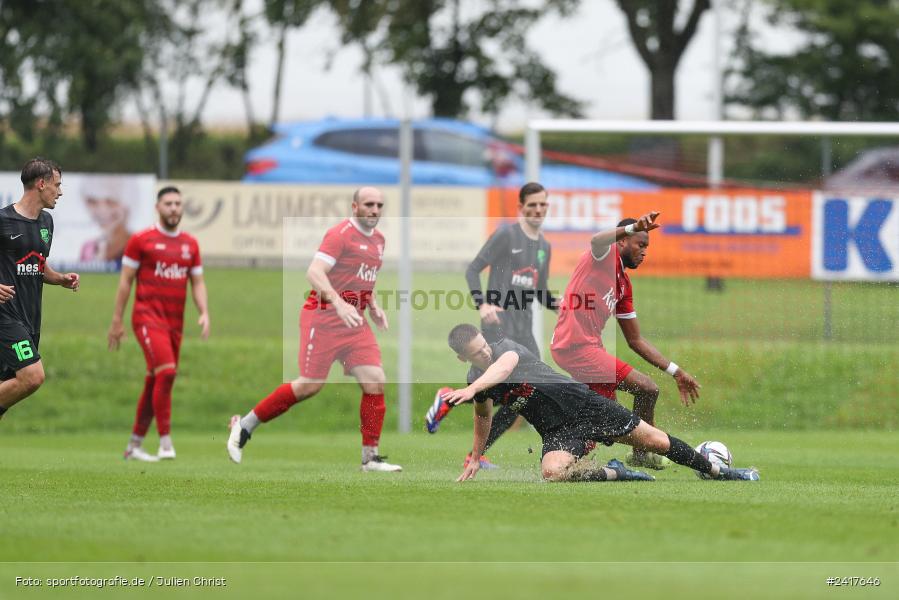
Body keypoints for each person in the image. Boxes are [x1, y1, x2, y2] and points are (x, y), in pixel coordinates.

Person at [445, 323, 759, 483]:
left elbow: (503, 368)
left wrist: (475, 388)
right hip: (557, 431)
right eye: (476, 353)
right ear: (462, 358)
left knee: (656, 441)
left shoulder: (505, 348)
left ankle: (719, 472)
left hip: (586, 406)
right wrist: (476, 457)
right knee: (552, 473)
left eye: (483, 345)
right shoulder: (475, 380)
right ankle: (616, 473)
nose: (485, 352)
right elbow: (483, 417)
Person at [227, 187, 401, 472]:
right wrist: (339, 304)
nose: (375, 210)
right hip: (323, 319)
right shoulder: (340, 234)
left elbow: (360, 278)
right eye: (369, 204)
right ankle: (244, 425)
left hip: (354, 322)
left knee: (375, 381)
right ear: (355, 207)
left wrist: (373, 306)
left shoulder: (379, 240)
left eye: (379, 205)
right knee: (309, 385)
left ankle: (370, 458)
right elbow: (314, 272)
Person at [550, 214, 702, 470]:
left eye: (647, 247)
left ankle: (562, 455)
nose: (644, 252)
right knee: (647, 388)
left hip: (589, 349)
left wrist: (676, 372)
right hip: (574, 346)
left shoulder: (624, 285)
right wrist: (632, 227)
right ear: (622, 241)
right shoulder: (603, 257)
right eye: (640, 244)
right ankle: (644, 453)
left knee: (604, 419)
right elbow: (596, 240)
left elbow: (635, 340)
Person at [425, 182, 557, 467]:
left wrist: (560, 305)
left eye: (542, 204)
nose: (538, 209)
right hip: (499, 325)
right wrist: (482, 304)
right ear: (521, 207)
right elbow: (473, 269)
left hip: (524, 328)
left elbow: (540, 290)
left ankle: (455, 411)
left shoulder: (544, 246)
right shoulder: (506, 235)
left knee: (524, 393)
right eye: (532, 204)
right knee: (506, 391)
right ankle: (475, 451)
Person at [108, 186, 209, 462]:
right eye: (168, 203)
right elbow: (125, 281)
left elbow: (197, 282)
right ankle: (165, 442)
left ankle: (134, 445)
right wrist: (117, 320)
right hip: (146, 318)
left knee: (156, 379)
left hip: (175, 324)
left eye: (178, 203)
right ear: (158, 208)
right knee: (167, 372)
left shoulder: (190, 244)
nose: (174, 208)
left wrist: (204, 311)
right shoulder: (141, 240)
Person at [0, 158, 80, 422]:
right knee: (32, 376)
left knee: (6, 388)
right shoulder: (3, 220)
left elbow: (36, 263)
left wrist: (59, 278)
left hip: (31, 320)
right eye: (57, 185)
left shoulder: (46, 222)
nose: (60, 192)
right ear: (41, 184)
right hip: (5, 318)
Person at [79, 176, 135, 266]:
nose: (102, 211)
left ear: (126, 207)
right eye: (93, 201)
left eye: (111, 201)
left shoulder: (136, 245)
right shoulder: (88, 248)